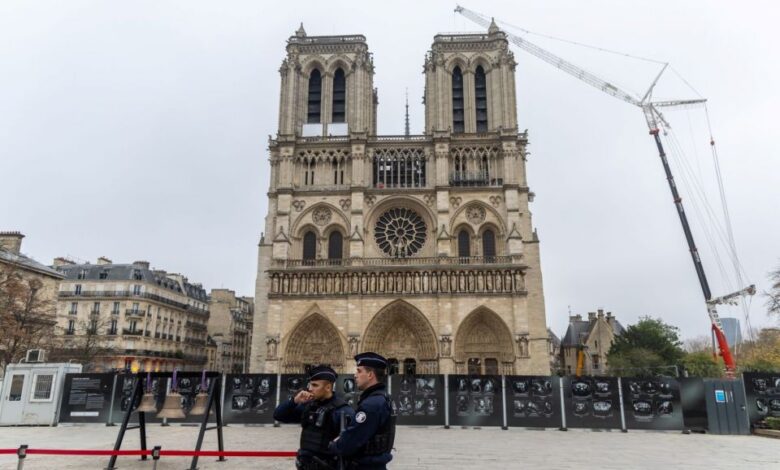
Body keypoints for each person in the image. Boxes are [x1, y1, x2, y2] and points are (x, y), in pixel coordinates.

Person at [274, 365, 355, 470]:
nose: (310, 389)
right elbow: (278, 415)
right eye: (310, 385)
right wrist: (294, 401)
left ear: (328, 387)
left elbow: (352, 447)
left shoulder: (342, 411)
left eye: (315, 385)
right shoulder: (308, 406)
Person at [330, 352, 395, 469]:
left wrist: (335, 445)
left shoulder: (371, 405)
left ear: (370, 375)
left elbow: (351, 442)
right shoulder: (381, 398)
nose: (355, 375)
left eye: (359, 371)